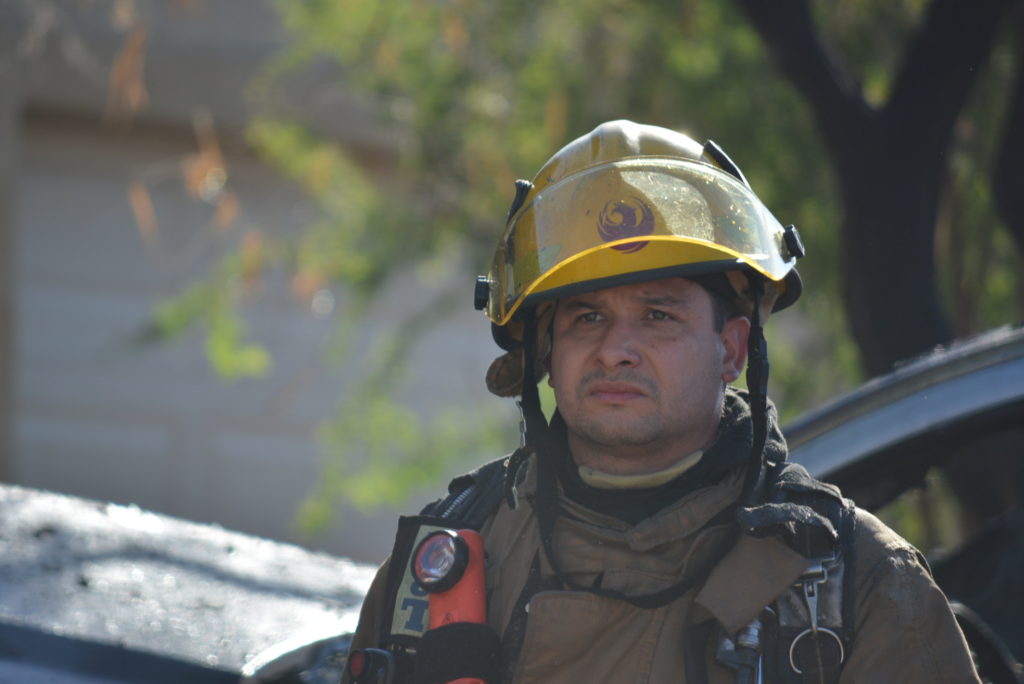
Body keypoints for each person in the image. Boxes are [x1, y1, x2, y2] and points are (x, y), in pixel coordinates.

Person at [343, 120, 980, 683]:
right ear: (546, 353)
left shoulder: (857, 587)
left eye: (657, 315)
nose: (615, 351)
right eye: (587, 317)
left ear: (732, 350)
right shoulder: (444, 557)